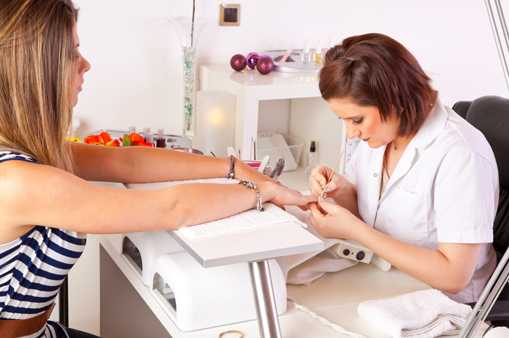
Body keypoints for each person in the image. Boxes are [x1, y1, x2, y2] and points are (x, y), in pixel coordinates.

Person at [0, 1, 315, 337]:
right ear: (35, 72)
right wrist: (261, 191)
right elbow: (172, 208)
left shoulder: (27, 153)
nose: (85, 64)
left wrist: (234, 167)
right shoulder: (19, 182)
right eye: (72, 53)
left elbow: (126, 162)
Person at [309, 33, 499, 304]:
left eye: (356, 119)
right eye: (344, 120)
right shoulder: (381, 135)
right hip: (385, 280)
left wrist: (353, 230)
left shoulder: (461, 154)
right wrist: (341, 192)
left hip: (444, 305)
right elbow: (373, 215)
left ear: (394, 100)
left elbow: (454, 276)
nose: (351, 133)